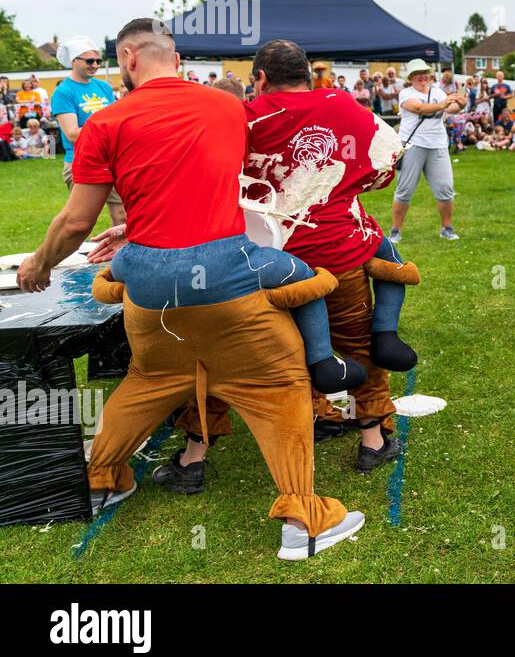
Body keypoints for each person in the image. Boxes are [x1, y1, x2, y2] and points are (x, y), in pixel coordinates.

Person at [16, 18, 364, 560]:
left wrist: (39, 264)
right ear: (174, 59)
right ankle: (305, 520)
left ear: (128, 59)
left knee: (145, 383)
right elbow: (239, 174)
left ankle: (103, 477)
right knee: (278, 388)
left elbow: (75, 223)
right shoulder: (227, 107)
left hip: (151, 292)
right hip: (229, 281)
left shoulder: (105, 122)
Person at [166, 40, 421, 483]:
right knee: (358, 344)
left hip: (262, 259)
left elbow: (202, 176)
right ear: (306, 73)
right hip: (337, 250)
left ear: (260, 78)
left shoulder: (244, 117)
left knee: (225, 354)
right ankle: (372, 442)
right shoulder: (344, 106)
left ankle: (194, 457)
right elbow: (386, 162)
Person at [50, 38, 126, 226]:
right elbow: (72, 134)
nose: (95, 65)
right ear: (74, 61)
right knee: (79, 222)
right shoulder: (63, 92)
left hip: (109, 159)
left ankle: (121, 255)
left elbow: (115, 119)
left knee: (123, 216)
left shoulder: (104, 87)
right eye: (89, 61)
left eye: (98, 61)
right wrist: (108, 130)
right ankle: (57, 254)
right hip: (80, 161)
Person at [391, 59, 464, 241]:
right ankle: (395, 230)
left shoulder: (438, 92)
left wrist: (461, 102)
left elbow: (452, 108)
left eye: (425, 72)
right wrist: (444, 104)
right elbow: (419, 108)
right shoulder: (406, 94)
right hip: (412, 145)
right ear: (411, 77)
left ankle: (447, 228)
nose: (422, 76)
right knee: (404, 190)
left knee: (446, 189)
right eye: (418, 73)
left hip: (438, 144)